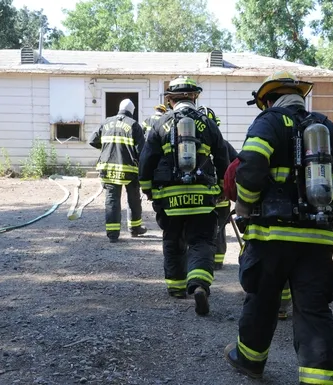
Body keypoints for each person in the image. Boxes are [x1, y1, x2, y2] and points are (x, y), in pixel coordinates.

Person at [223, 70, 333, 383]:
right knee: (313, 308)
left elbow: (250, 167)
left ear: (268, 100)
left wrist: (247, 205)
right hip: (317, 234)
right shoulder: (324, 126)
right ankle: (318, 379)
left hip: (270, 233)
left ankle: (250, 359)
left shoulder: (269, 121)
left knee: (262, 299)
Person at [139, 76, 229, 316]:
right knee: (201, 241)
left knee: (173, 239)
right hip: (202, 194)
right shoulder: (207, 123)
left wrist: (147, 187)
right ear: (194, 97)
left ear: (170, 100)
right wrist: (222, 186)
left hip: (169, 197)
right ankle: (199, 285)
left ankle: (176, 287)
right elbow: (222, 156)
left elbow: (147, 160)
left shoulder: (160, 123)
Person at [88, 99, 147, 243]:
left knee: (112, 200)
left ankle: (113, 234)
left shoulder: (106, 122)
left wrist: (106, 148)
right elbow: (141, 150)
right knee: (133, 199)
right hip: (129, 169)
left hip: (107, 168)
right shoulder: (134, 125)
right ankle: (135, 229)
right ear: (132, 111)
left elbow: (92, 140)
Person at [198, 106, 238, 270]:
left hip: (202, 197)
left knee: (200, 229)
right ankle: (218, 260)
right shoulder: (225, 145)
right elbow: (237, 165)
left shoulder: (194, 148)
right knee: (220, 229)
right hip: (221, 197)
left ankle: (201, 260)